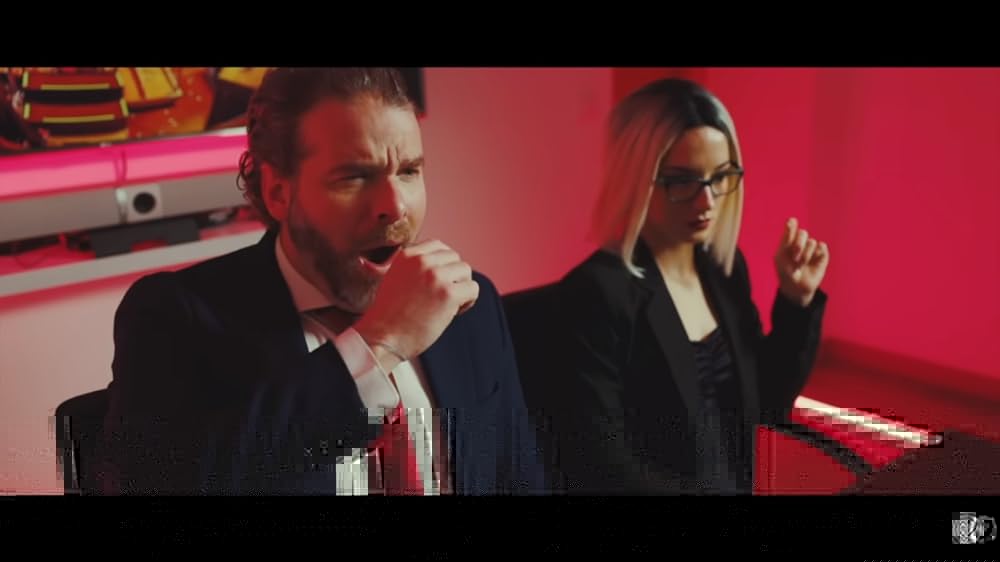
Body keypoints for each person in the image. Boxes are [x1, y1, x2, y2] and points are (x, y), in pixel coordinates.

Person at [97, 67, 545, 495]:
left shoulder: (468, 307)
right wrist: (379, 344)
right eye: (355, 176)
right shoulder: (174, 317)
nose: (395, 206)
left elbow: (519, 480)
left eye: (409, 171)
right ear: (277, 191)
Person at [548, 77, 830, 495]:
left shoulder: (723, 270)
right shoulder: (595, 295)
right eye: (682, 181)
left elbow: (767, 403)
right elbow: (603, 467)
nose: (707, 202)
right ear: (635, 178)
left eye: (720, 177)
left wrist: (796, 300)